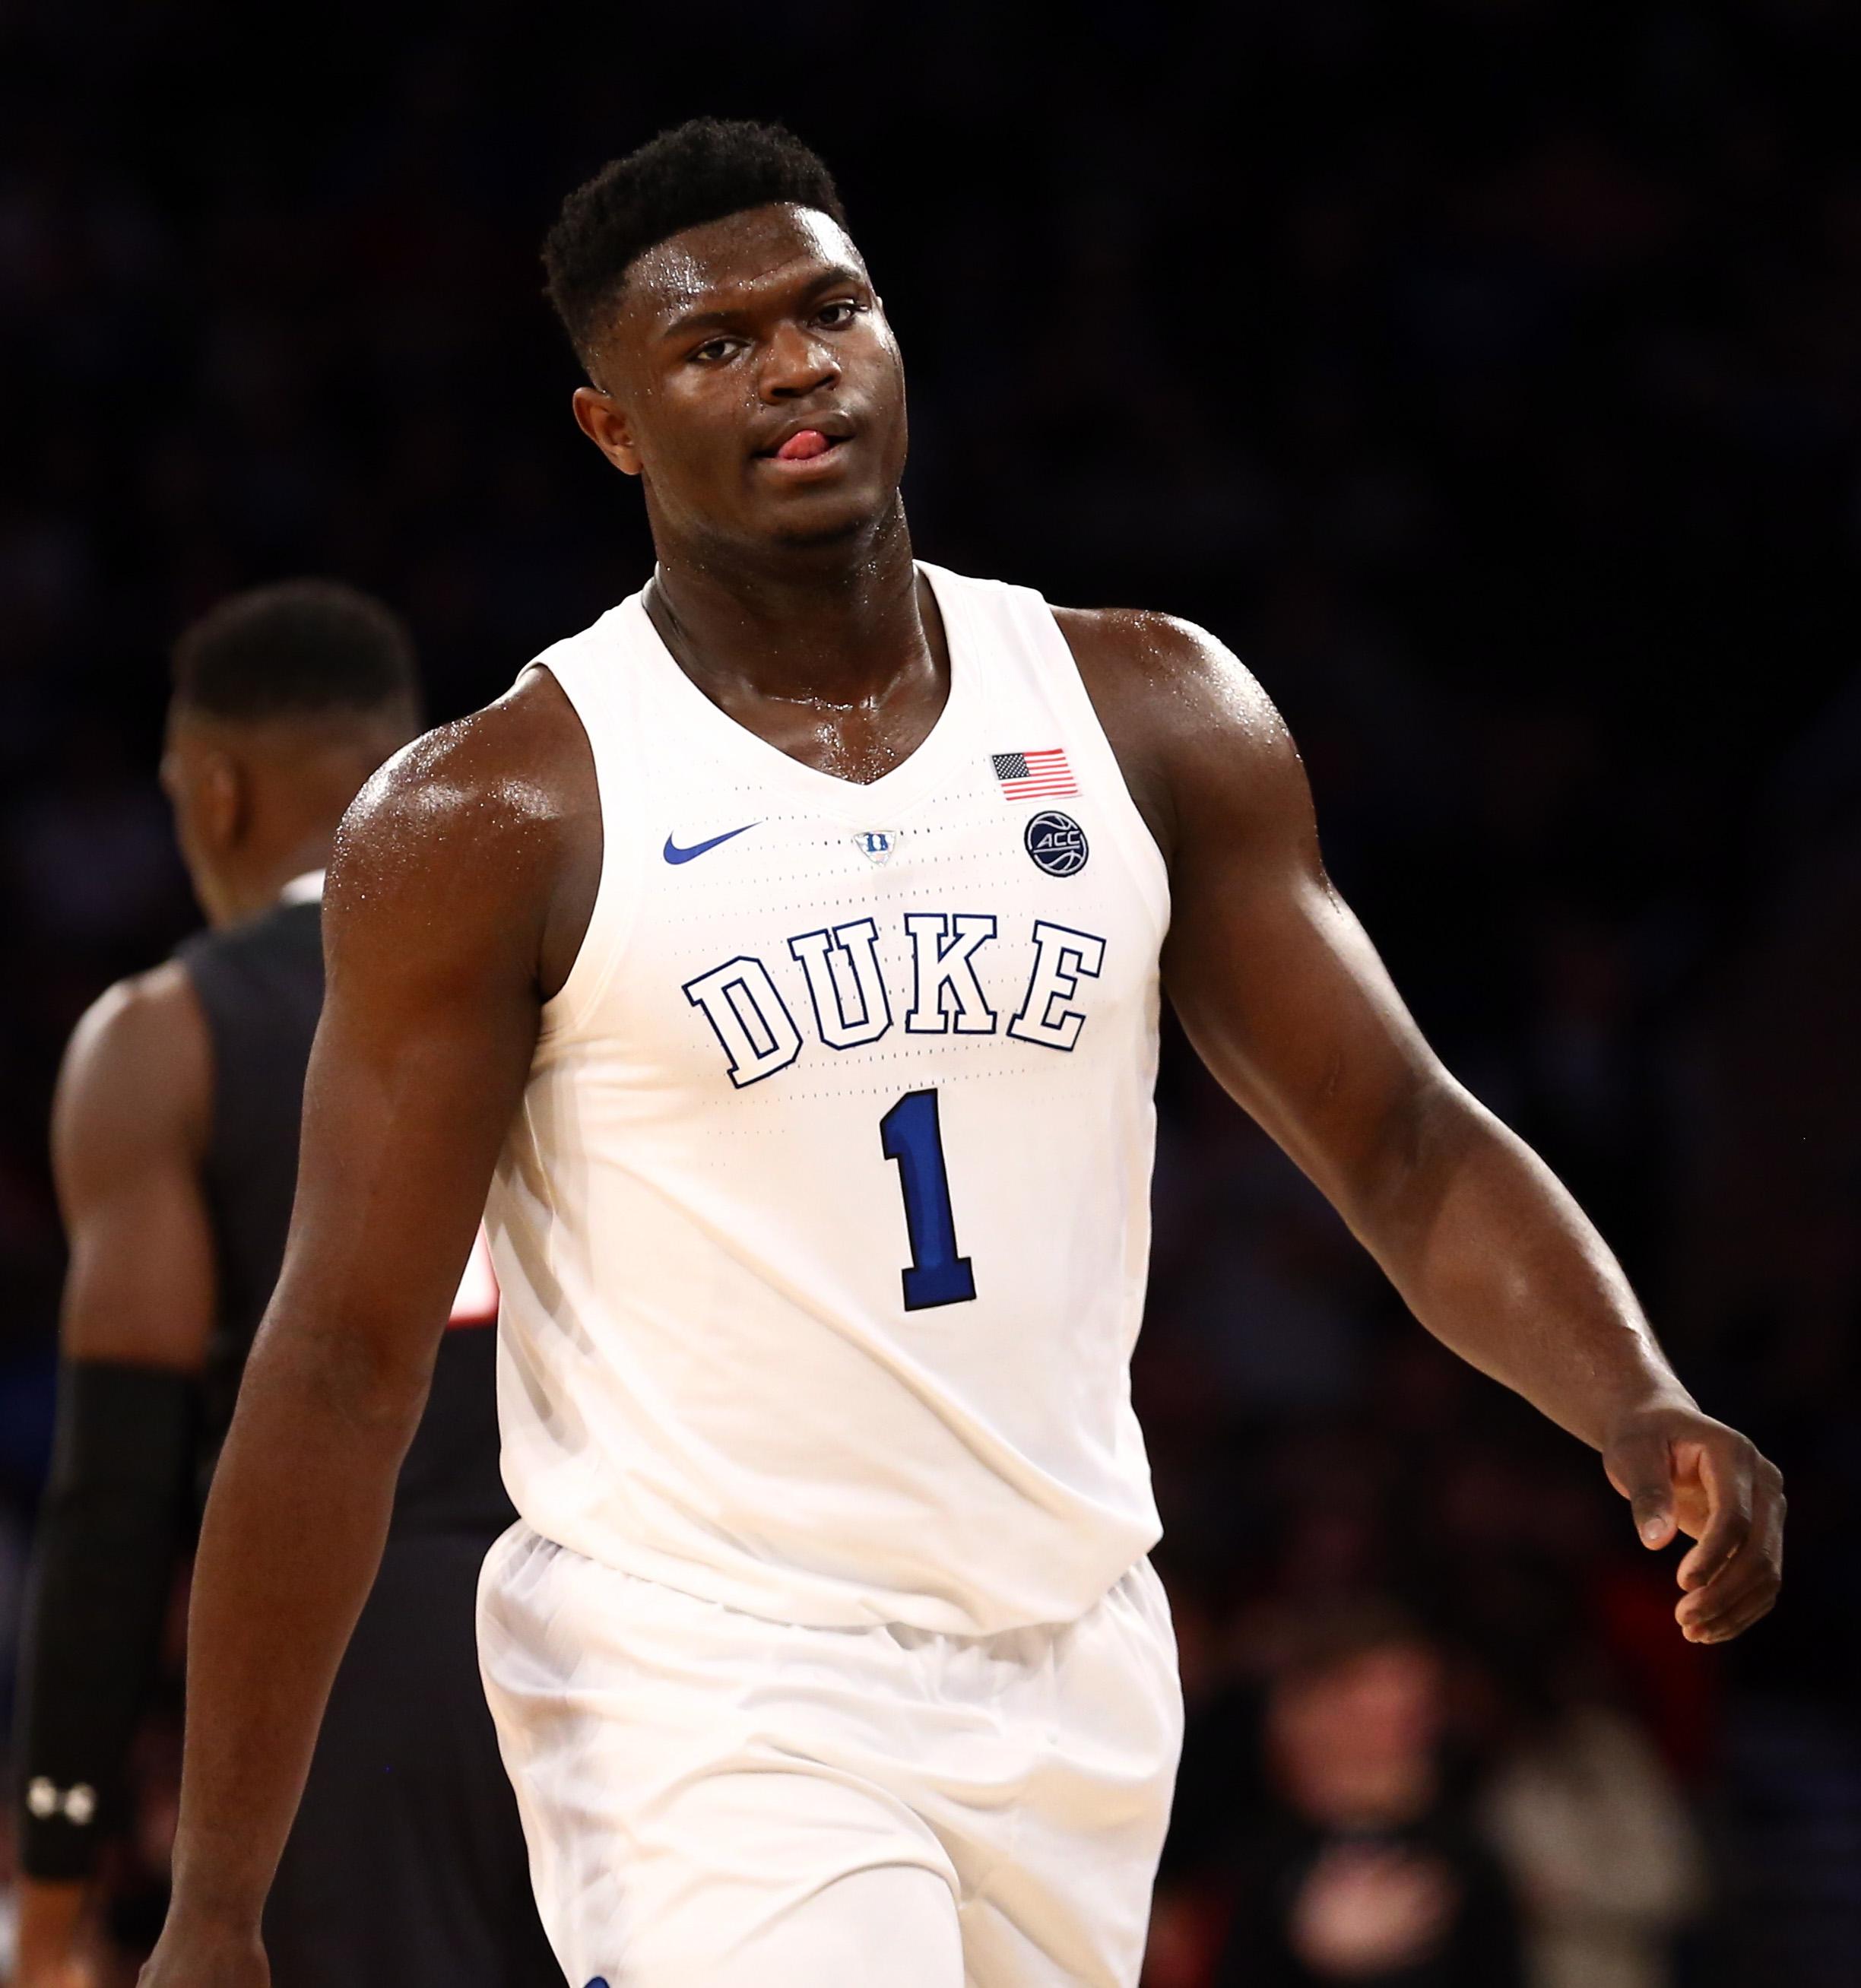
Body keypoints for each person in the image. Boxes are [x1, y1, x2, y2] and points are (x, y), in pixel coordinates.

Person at [135, 121, 1785, 1988]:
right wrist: (215, 1900)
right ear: (611, 428)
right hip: (705, 1670)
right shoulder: (494, 810)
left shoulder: (1147, 706)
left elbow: (1395, 1137)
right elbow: (344, 1353)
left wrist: (1629, 1392)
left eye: (829, 307)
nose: (792, 362)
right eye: (713, 342)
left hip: (1073, 1639)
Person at [14, 582, 556, 1987]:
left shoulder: (163, 1038)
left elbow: (117, 1493)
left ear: (212, 790)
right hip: (634, 1619)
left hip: (345, 1662)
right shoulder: (570, 973)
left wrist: (53, 1870)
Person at [1211, 1604, 1523, 1987]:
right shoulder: (1257, 1851)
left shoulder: (1466, 1858)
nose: (1390, 1733)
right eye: (1361, 1713)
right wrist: (1312, 1952)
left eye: (1408, 1713)